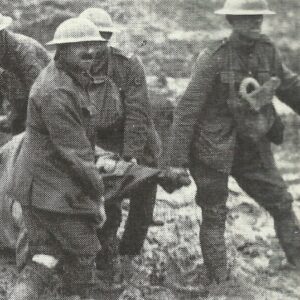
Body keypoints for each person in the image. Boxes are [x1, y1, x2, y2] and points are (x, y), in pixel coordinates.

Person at [170, 0, 300, 293]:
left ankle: (298, 263)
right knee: (215, 213)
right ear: (232, 21)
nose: (257, 22)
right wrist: (175, 161)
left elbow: (290, 86)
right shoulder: (214, 57)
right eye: (249, 18)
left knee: (281, 202)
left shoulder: (268, 51)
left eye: (259, 17)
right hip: (213, 148)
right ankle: (221, 283)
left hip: (252, 145)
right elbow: (187, 109)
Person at [8, 17, 107, 300]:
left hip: (39, 186)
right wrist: (97, 198)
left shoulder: (66, 77)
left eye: (93, 45)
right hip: (50, 189)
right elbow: (75, 154)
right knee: (86, 253)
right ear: (62, 50)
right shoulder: (57, 91)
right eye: (81, 47)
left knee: (44, 257)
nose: (90, 52)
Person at [79, 8, 161, 289]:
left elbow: (138, 114)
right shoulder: (72, 66)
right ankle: (107, 259)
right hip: (99, 139)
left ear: (109, 39)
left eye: (100, 39)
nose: (93, 47)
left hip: (137, 137)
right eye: (87, 40)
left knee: (144, 197)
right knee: (107, 199)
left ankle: (131, 252)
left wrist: (129, 157)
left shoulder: (128, 66)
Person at [0, 13, 50, 134]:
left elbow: (40, 96)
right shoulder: (3, 49)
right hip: (22, 108)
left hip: (48, 109)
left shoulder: (25, 51)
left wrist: (15, 121)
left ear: (1, 34)